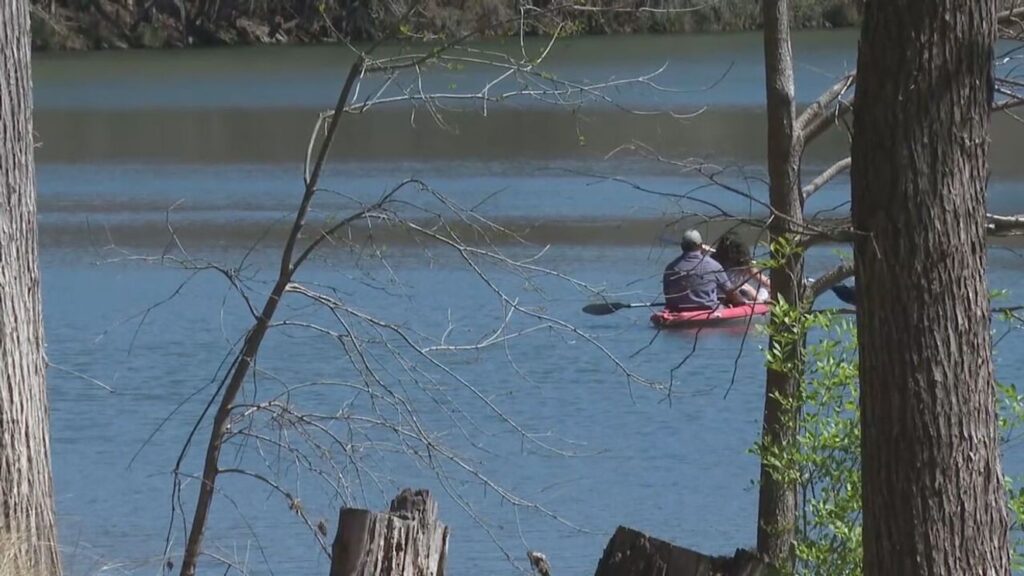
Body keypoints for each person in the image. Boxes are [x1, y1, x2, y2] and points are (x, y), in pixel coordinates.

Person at [662, 229, 746, 311]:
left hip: (678, 310)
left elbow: (667, 295)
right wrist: (742, 301)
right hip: (708, 309)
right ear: (701, 246)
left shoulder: (670, 268)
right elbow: (730, 292)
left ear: (682, 246)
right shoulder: (714, 265)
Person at [713, 232, 771, 303]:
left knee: (746, 286)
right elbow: (762, 279)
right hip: (727, 295)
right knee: (747, 287)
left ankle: (759, 300)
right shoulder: (742, 261)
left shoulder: (714, 261)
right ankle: (760, 300)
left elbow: (761, 279)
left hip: (727, 293)